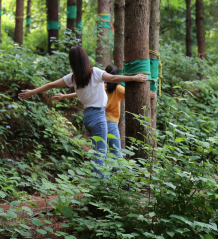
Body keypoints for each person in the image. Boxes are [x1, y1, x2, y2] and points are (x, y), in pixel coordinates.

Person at [19, 46, 147, 174]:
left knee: (99, 151)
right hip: (98, 116)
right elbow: (113, 78)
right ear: (85, 58)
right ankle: (100, 185)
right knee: (100, 154)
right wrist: (134, 78)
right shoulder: (95, 72)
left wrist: (32, 92)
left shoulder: (73, 78)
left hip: (88, 117)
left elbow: (51, 84)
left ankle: (102, 183)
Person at [53, 64, 126, 158]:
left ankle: (105, 170)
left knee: (100, 151)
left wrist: (64, 96)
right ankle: (119, 172)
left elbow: (79, 93)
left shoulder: (102, 86)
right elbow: (131, 94)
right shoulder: (118, 88)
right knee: (116, 152)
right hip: (111, 122)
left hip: (99, 120)